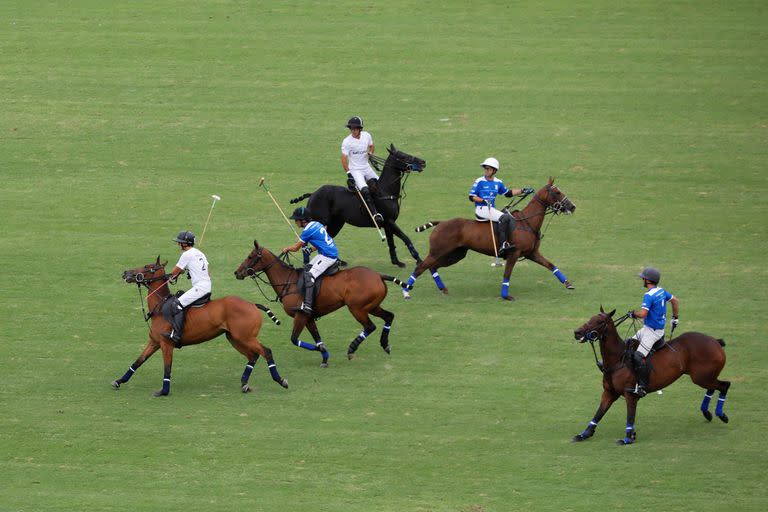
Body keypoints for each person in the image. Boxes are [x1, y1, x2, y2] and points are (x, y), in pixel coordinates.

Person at [627, 267, 680, 396]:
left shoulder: (648, 295)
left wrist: (633, 314)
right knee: (628, 344)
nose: (642, 280)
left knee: (638, 356)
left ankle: (642, 386)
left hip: (653, 333)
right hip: (648, 329)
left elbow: (643, 314)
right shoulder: (661, 291)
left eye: (643, 278)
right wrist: (675, 317)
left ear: (647, 280)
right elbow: (675, 300)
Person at [468, 157, 534, 256]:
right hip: (481, 209)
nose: (486, 170)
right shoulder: (479, 181)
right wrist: (483, 200)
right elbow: (471, 196)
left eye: (488, 169)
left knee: (509, 216)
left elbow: (508, 193)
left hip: (491, 209)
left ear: (494, 171)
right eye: (485, 168)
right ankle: (503, 245)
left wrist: (523, 190)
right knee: (505, 217)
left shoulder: (498, 182)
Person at [282, 206, 339, 315]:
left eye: (296, 220)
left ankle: (307, 306)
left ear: (303, 221)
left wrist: (286, 249)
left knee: (310, 276)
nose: (295, 222)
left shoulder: (307, 231)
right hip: (326, 252)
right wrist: (311, 249)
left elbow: (296, 248)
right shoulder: (317, 224)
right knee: (307, 268)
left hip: (328, 256)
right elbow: (322, 241)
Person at [163, 230, 212, 347]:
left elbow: (176, 271)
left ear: (185, 244)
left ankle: (176, 334)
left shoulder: (186, 254)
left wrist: (170, 277)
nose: (178, 244)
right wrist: (191, 271)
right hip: (207, 285)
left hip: (200, 288)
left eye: (179, 242)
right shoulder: (200, 253)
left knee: (176, 304)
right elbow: (208, 273)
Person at [341, 116, 384, 224]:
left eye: (355, 128)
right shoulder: (347, 142)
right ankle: (374, 214)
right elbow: (344, 159)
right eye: (351, 128)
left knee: (381, 185)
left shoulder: (367, 136)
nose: (353, 131)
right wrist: (348, 173)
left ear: (360, 129)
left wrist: (370, 154)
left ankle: (381, 207)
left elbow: (372, 146)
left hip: (366, 166)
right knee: (364, 190)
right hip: (355, 170)